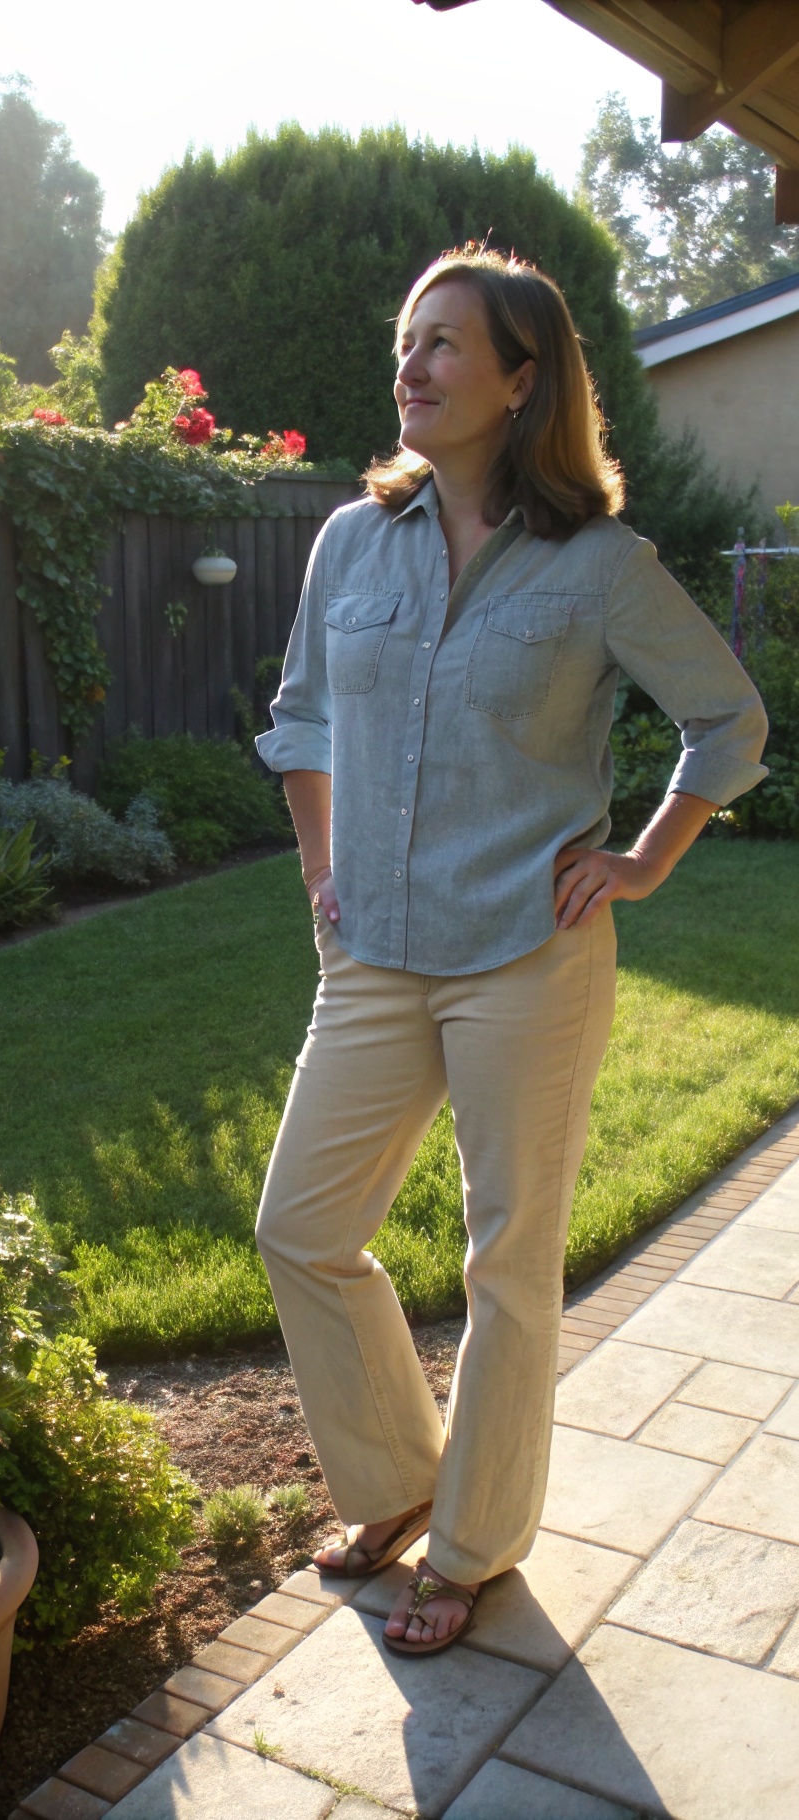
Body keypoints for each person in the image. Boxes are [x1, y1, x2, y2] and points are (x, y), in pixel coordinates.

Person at [253, 245, 768, 1659]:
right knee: (302, 1225)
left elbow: (729, 722)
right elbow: (300, 718)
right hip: (372, 952)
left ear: (523, 379)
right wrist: (320, 865)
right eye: (405, 343)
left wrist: (645, 857)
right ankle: (395, 1479)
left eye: (443, 346)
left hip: (526, 960)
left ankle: (472, 1545)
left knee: (506, 1261)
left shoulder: (602, 568)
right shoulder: (352, 541)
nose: (410, 367)